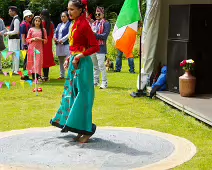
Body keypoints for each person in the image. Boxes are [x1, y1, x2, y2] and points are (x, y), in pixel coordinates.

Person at [50, 0, 100, 143]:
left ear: (80, 9)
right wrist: (69, 58)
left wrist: (79, 56)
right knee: (73, 94)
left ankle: (88, 130)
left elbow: (95, 47)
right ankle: (79, 128)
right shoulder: (74, 24)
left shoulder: (84, 25)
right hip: (74, 62)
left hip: (83, 64)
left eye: (72, 9)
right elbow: (74, 46)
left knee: (83, 96)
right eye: (68, 9)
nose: (69, 12)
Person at [91, 6, 111, 89]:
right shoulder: (94, 23)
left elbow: (105, 35)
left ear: (103, 14)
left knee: (101, 66)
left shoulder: (106, 23)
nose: (97, 16)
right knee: (95, 66)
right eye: (96, 14)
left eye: (99, 14)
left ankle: (104, 82)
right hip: (93, 46)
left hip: (101, 47)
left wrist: (95, 35)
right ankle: (95, 81)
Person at [26, 16, 47, 81]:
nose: (37, 22)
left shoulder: (43, 30)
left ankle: (37, 77)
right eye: (36, 21)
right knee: (32, 62)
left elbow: (46, 40)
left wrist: (40, 39)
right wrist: (33, 39)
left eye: (39, 21)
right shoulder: (31, 29)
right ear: (34, 21)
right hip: (32, 48)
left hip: (39, 48)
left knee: (38, 63)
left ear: (41, 22)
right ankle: (33, 78)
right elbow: (27, 39)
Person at [54, 11, 72, 80]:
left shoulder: (70, 24)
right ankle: (62, 75)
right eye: (62, 16)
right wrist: (55, 38)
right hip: (59, 45)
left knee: (68, 60)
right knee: (61, 60)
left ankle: (70, 75)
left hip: (66, 44)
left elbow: (69, 34)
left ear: (67, 17)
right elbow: (55, 32)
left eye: (64, 16)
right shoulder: (59, 25)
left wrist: (62, 40)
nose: (63, 18)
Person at [4, 6, 21, 75]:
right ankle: (14, 70)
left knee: (16, 55)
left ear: (14, 12)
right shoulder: (14, 19)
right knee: (14, 55)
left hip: (15, 40)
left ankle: (16, 70)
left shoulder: (16, 19)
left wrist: (7, 33)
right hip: (12, 39)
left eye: (10, 11)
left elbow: (16, 31)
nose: (9, 12)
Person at [40, 9, 55, 81]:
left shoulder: (42, 23)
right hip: (48, 43)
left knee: (41, 59)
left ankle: (41, 76)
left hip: (42, 42)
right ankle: (46, 76)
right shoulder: (51, 24)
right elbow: (52, 34)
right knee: (47, 60)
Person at [20, 9, 33, 80]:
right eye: (28, 16)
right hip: (25, 45)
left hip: (28, 44)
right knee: (26, 61)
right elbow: (23, 36)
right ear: (25, 17)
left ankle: (26, 75)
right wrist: (25, 45)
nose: (30, 17)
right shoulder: (23, 24)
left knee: (27, 60)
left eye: (31, 16)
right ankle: (24, 76)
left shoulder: (28, 24)